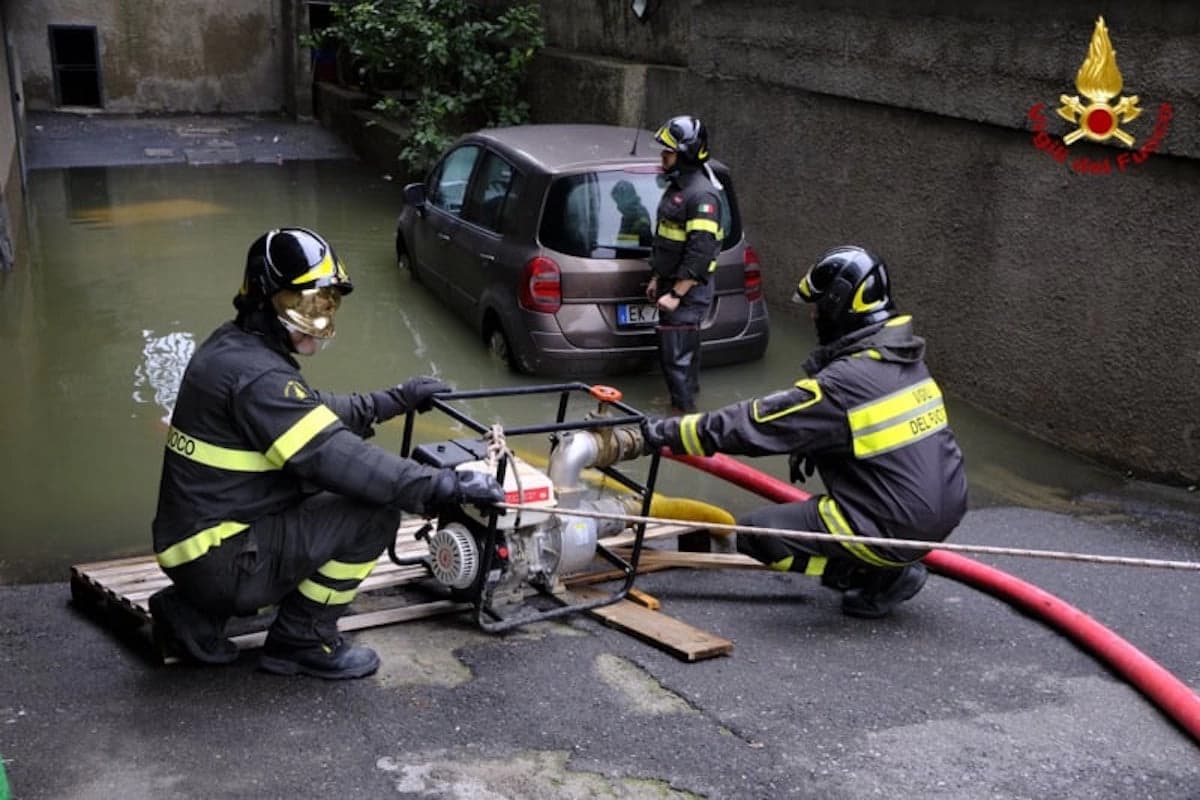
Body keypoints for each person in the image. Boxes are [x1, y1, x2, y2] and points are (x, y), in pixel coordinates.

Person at [149, 227, 505, 679]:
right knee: (374, 513)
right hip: (222, 559)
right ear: (264, 298)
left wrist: (397, 399)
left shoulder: (233, 349)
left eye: (325, 303)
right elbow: (335, 457)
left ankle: (193, 614)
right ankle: (302, 639)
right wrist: (442, 486)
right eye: (304, 303)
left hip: (195, 547)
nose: (316, 316)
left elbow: (314, 410)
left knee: (319, 493)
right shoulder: (259, 377)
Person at [642, 245, 968, 618]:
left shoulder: (846, 382)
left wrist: (662, 433)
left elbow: (753, 424)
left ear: (838, 306)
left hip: (895, 523)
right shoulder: (903, 358)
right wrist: (814, 443)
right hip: (945, 509)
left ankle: (878, 574)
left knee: (757, 535)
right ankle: (887, 564)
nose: (813, 315)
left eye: (817, 307)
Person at [645, 115, 724, 415]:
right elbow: (667, 239)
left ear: (686, 153)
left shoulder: (701, 195)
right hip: (672, 285)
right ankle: (682, 403)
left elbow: (700, 252)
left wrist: (677, 293)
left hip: (688, 292)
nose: (662, 156)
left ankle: (681, 418)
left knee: (677, 358)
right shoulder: (679, 187)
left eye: (668, 151)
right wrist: (657, 277)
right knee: (679, 355)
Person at [611, 179, 652, 247]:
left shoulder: (638, 217)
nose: (618, 206)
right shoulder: (628, 215)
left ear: (626, 198)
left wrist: (615, 243)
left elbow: (642, 246)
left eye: (618, 201)